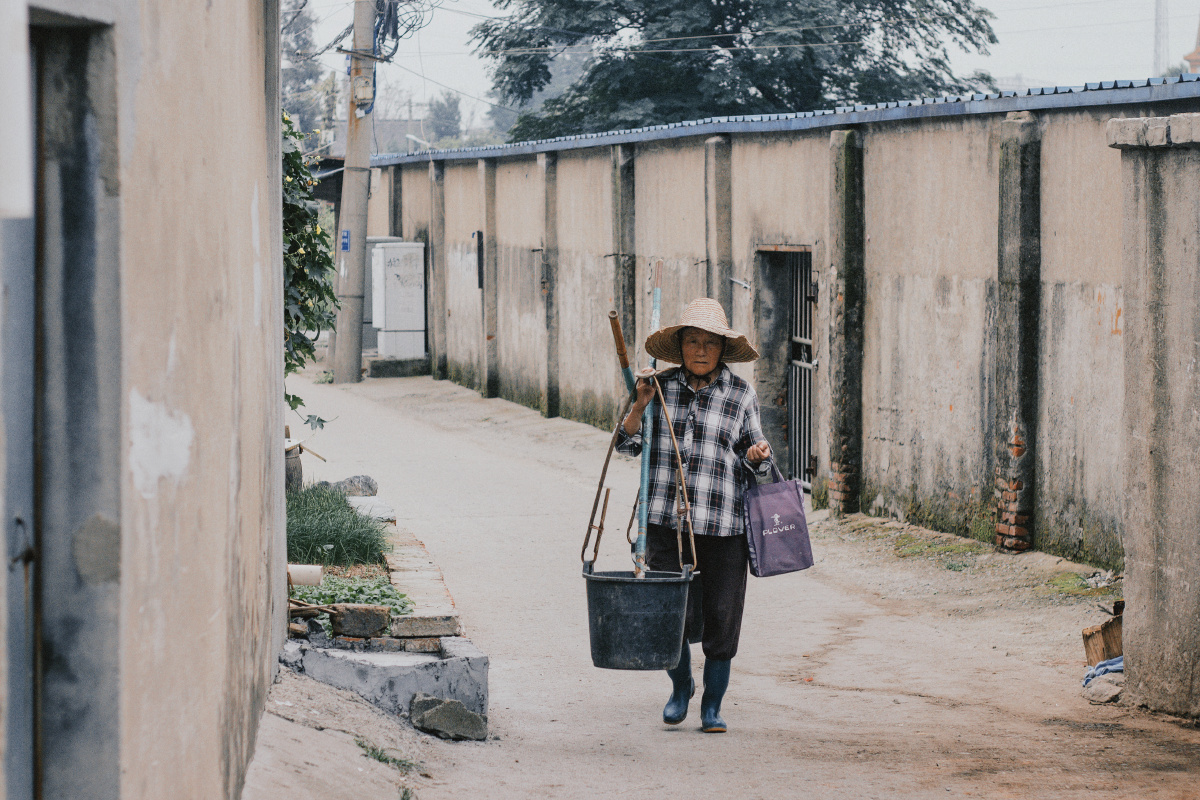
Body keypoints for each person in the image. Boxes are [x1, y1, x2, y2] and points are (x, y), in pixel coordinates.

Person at [616, 297, 772, 733]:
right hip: (667, 523)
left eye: (710, 343)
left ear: (723, 349)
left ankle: (712, 706)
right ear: (679, 346)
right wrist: (638, 406)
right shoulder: (657, 387)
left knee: (723, 617)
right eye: (692, 342)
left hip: (724, 526)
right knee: (672, 615)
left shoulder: (741, 395)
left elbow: (754, 458)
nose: (700, 351)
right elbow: (626, 446)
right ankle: (681, 687)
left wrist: (758, 455)